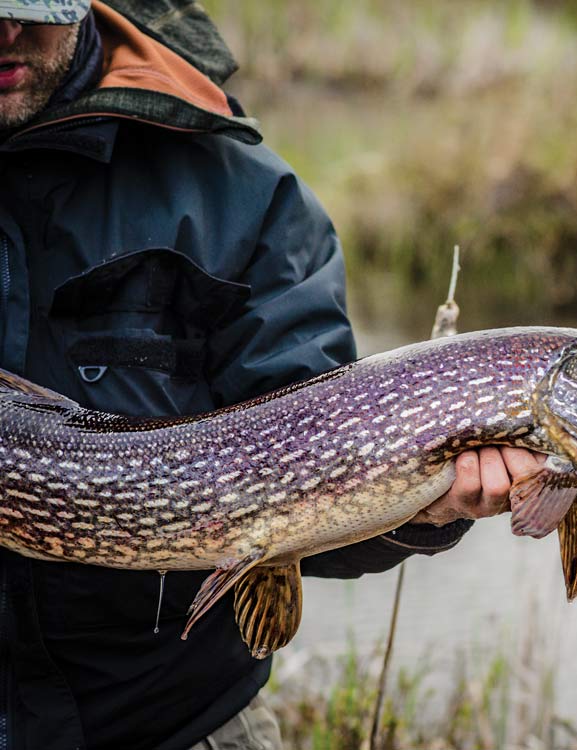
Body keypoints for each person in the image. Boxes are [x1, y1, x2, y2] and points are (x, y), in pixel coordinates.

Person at [0, 2, 542, 748]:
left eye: (25, 9)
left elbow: (303, 482)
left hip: (170, 723)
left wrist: (422, 507)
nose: (3, 32)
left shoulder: (240, 196)